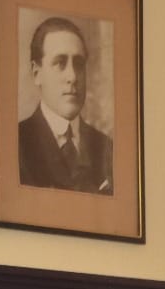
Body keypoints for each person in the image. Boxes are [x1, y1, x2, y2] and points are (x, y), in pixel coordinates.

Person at [18, 15, 113, 194]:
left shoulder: (106, 147)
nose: (73, 76)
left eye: (79, 64)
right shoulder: (17, 144)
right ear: (37, 73)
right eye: (60, 63)